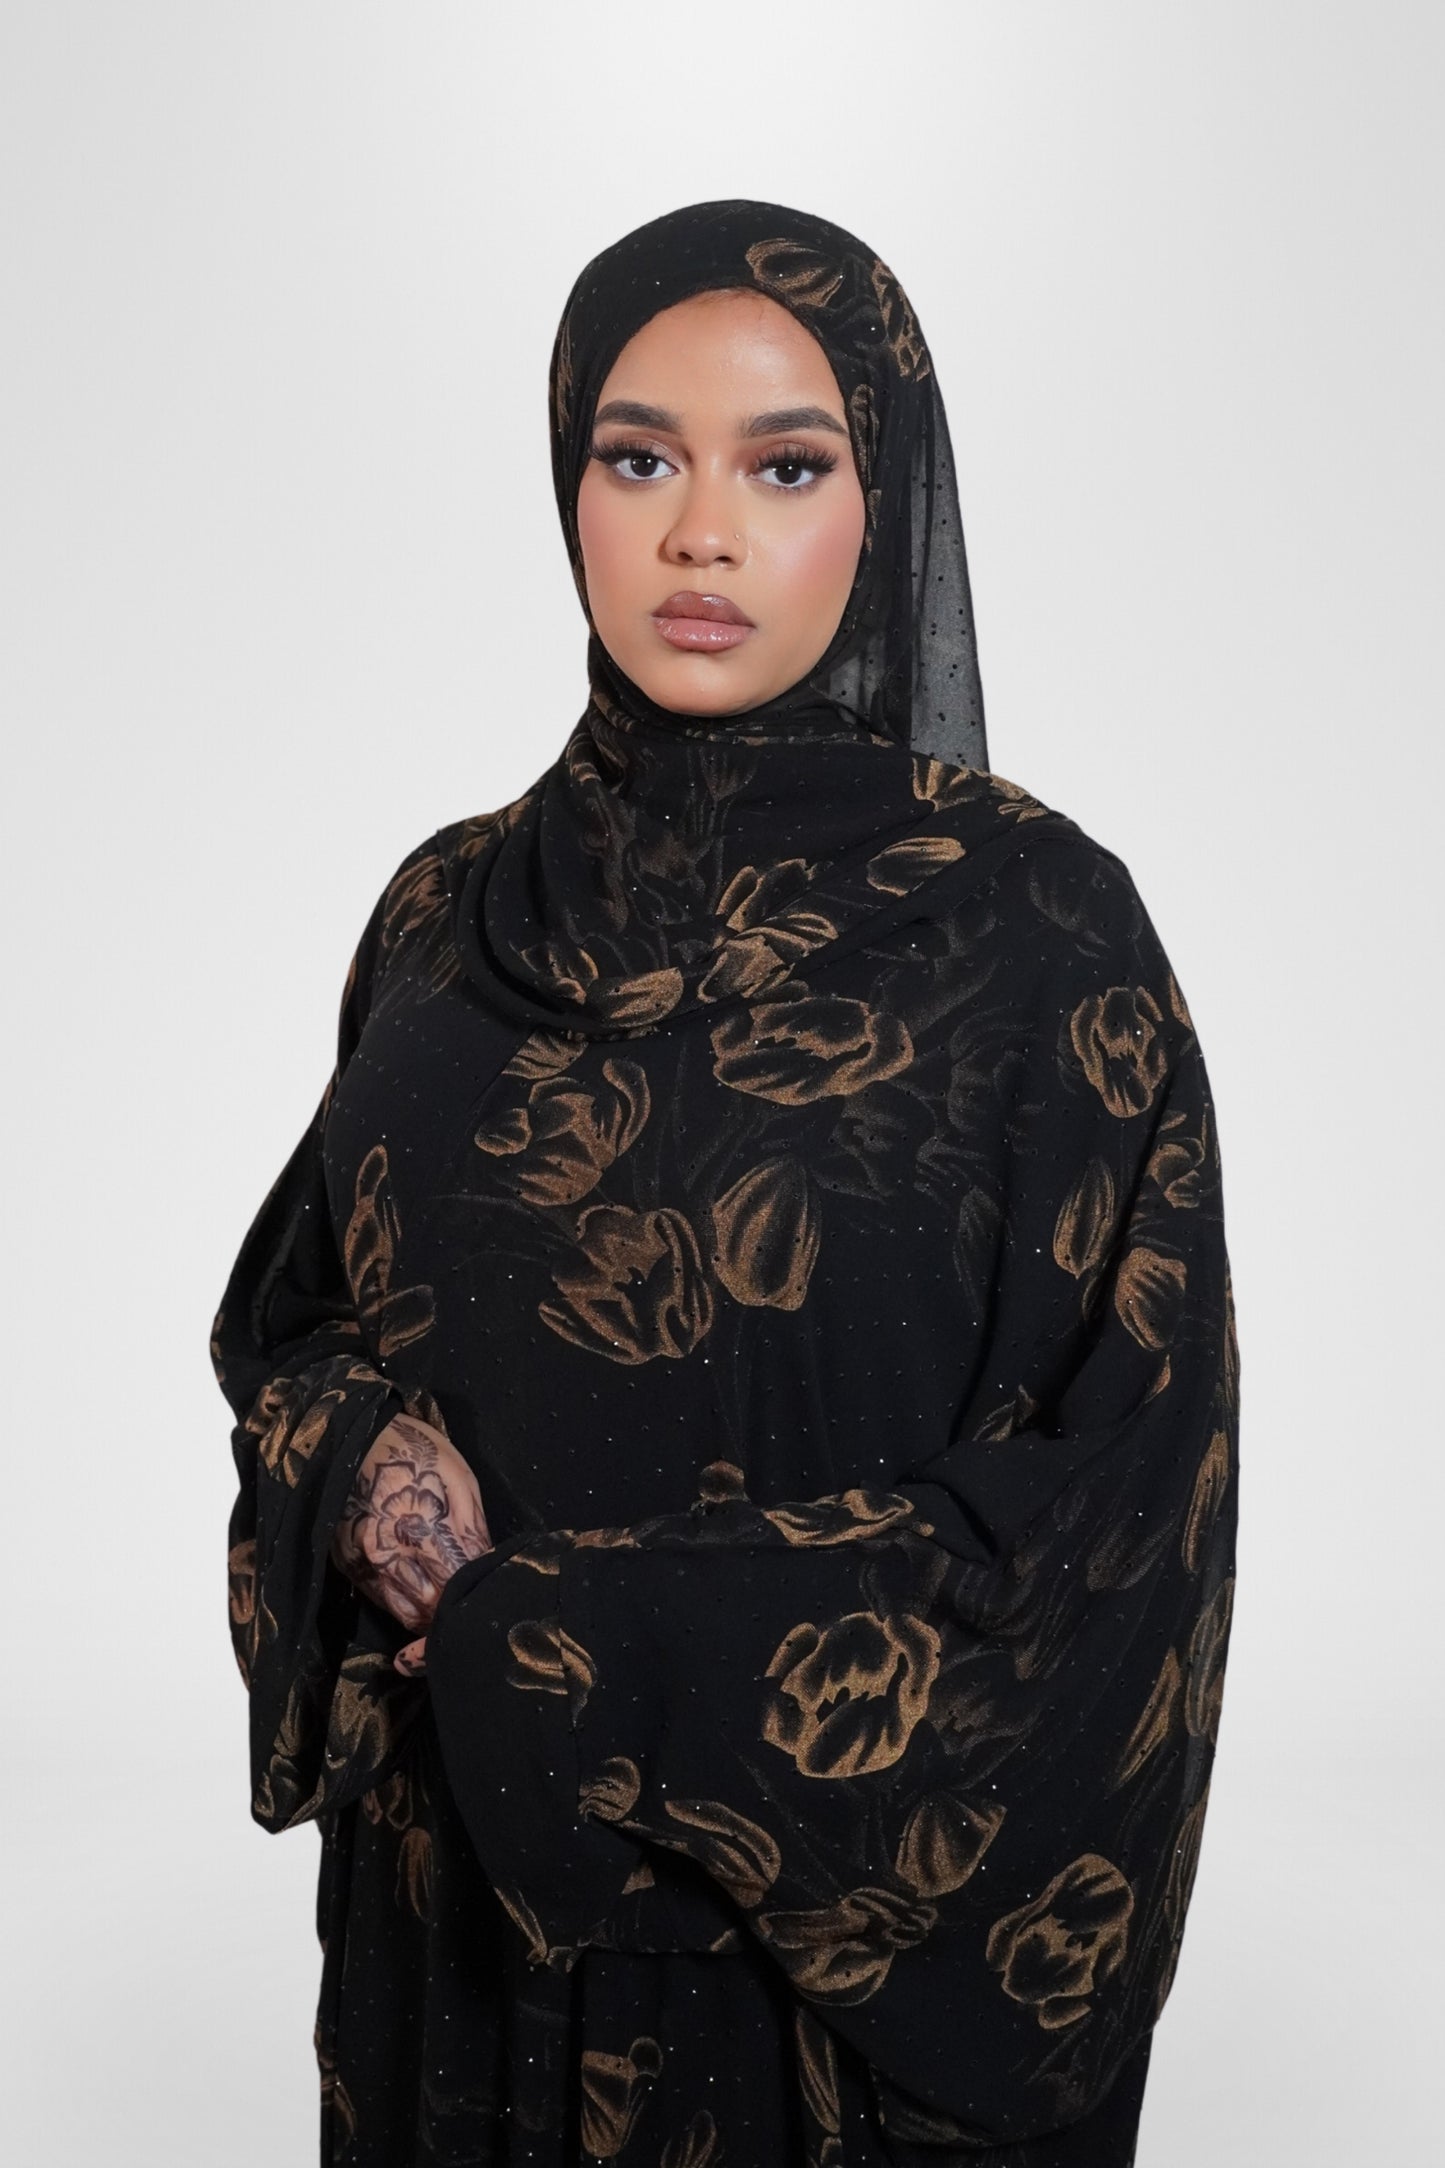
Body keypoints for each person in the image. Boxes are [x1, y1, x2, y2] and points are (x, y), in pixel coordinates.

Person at [211, 199, 1238, 2168]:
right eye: (637, 458)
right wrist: (367, 1470)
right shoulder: (445, 912)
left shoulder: (1033, 932)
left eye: (783, 466)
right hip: (457, 1931)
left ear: (885, 505)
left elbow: (1117, 1502)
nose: (700, 534)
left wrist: (599, 1643)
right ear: (568, 488)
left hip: (807, 1992)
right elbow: (300, 1318)